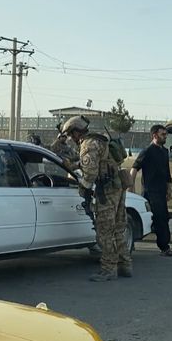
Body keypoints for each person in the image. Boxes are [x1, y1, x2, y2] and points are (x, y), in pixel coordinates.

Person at [62, 115, 131, 281]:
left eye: (71, 134)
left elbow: (90, 173)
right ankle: (125, 265)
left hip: (106, 192)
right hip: (118, 188)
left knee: (104, 231)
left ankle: (108, 270)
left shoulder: (88, 145)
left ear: (77, 132)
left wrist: (83, 189)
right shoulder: (100, 140)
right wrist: (74, 165)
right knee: (118, 229)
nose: (71, 139)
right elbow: (98, 162)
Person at [130, 125, 172, 257]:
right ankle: (164, 247)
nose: (165, 137)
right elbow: (134, 168)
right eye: (162, 134)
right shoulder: (147, 151)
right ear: (154, 135)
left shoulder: (164, 151)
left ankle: (162, 245)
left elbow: (167, 172)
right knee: (158, 219)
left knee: (163, 218)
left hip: (161, 191)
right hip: (151, 191)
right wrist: (130, 185)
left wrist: (169, 189)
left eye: (165, 134)